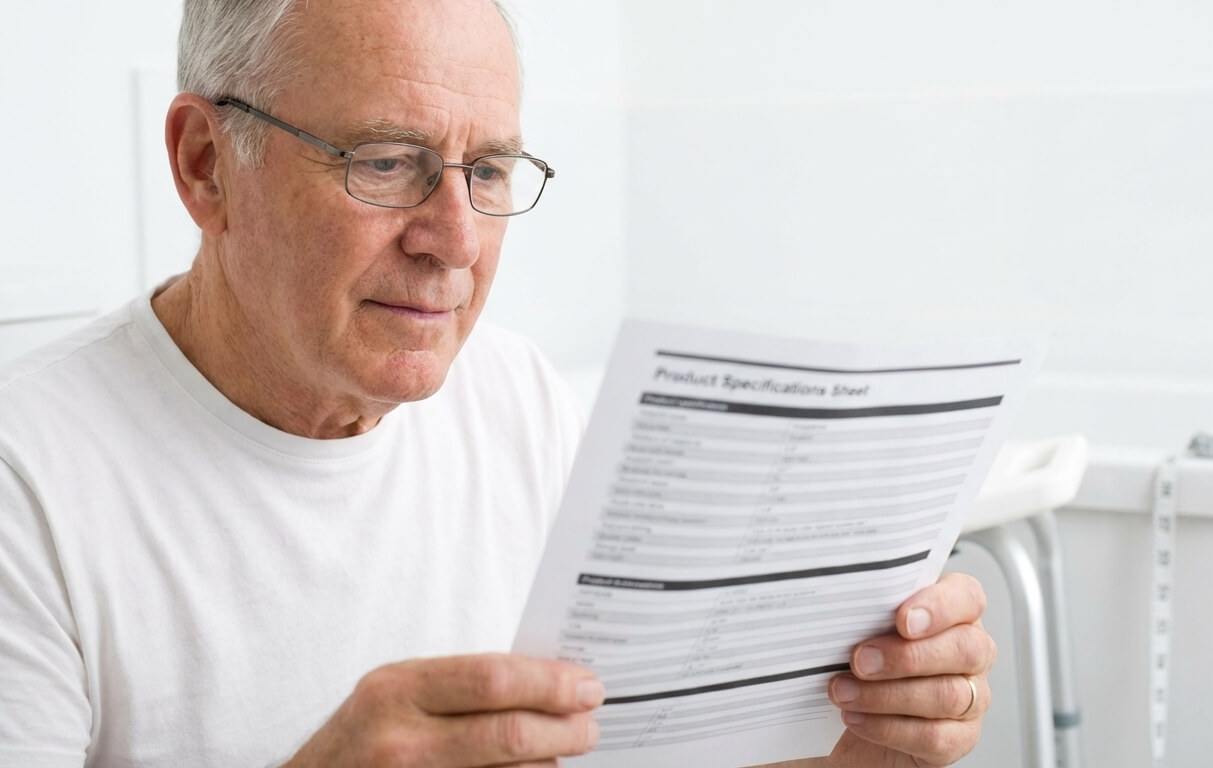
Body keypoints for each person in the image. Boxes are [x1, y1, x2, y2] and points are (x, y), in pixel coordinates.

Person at [0, 0, 995, 765]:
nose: (457, 242)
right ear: (206, 163)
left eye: (488, 171)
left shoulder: (514, 402)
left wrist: (862, 749)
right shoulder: (30, 480)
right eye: (387, 162)